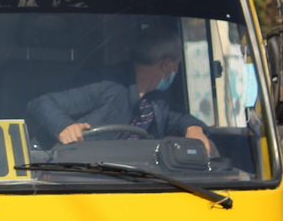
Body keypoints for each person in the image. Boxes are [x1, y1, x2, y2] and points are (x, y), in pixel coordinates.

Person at [29, 25, 213, 152]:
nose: (176, 70)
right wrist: (63, 127)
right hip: (73, 173)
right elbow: (41, 102)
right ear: (166, 64)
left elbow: (179, 117)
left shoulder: (157, 97)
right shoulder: (104, 82)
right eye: (177, 64)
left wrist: (194, 130)